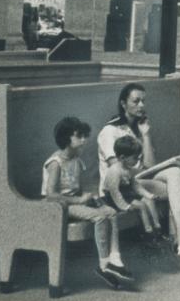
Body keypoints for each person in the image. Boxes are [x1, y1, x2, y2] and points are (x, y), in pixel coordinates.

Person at [98, 83, 180, 270]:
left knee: (176, 175)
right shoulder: (109, 132)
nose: (142, 105)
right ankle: (179, 242)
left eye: (143, 101)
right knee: (178, 186)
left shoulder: (137, 130)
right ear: (123, 104)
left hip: (137, 180)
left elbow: (149, 166)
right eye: (136, 101)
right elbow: (119, 172)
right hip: (120, 187)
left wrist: (147, 135)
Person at [42, 117, 131, 290]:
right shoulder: (55, 163)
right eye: (79, 136)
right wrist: (79, 200)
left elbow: (79, 190)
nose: (84, 140)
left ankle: (115, 258)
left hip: (73, 203)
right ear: (66, 138)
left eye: (85, 136)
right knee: (99, 217)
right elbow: (51, 196)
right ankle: (104, 265)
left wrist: (94, 200)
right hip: (57, 207)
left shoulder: (76, 160)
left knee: (110, 212)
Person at [102, 135, 164, 238]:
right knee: (141, 205)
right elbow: (114, 192)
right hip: (113, 198)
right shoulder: (115, 171)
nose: (137, 161)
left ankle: (157, 227)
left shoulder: (127, 168)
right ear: (122, 158)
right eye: (135, 158)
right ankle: (148, 232)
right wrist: (125, 206)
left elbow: (135, 185)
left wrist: (149, 195)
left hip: (125, 193)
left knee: (149, 201)